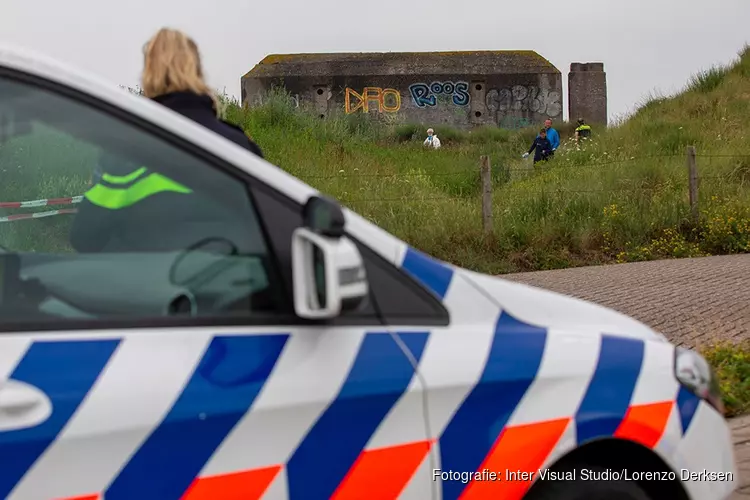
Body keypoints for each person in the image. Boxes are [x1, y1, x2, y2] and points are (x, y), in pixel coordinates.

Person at [70, 28, 262, 253]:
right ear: (197, 70)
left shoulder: (124, 155)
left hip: (148, 286)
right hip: (227, 285)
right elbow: (266, 230)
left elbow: (84, 238)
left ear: (148, 73)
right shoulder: (238, 147)